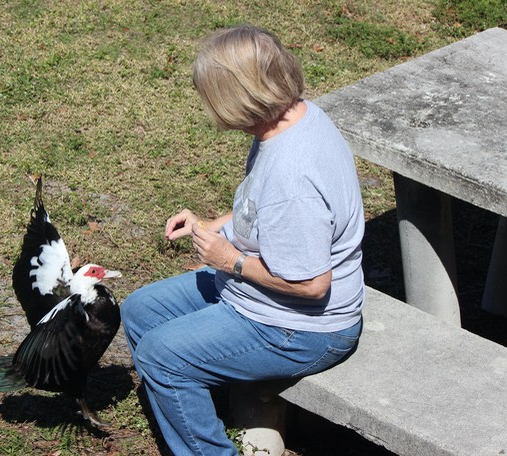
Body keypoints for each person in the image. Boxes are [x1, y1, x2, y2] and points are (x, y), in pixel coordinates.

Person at [121, 24, 365, 456]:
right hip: (257, 299)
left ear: (238, 97)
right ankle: (194, 398)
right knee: (140, 310)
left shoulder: (294, 177)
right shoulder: (294, 116)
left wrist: (229, 259)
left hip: (301, 329)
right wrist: (215, 224)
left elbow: (313, 285)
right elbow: (263, 204)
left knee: (161, 355)